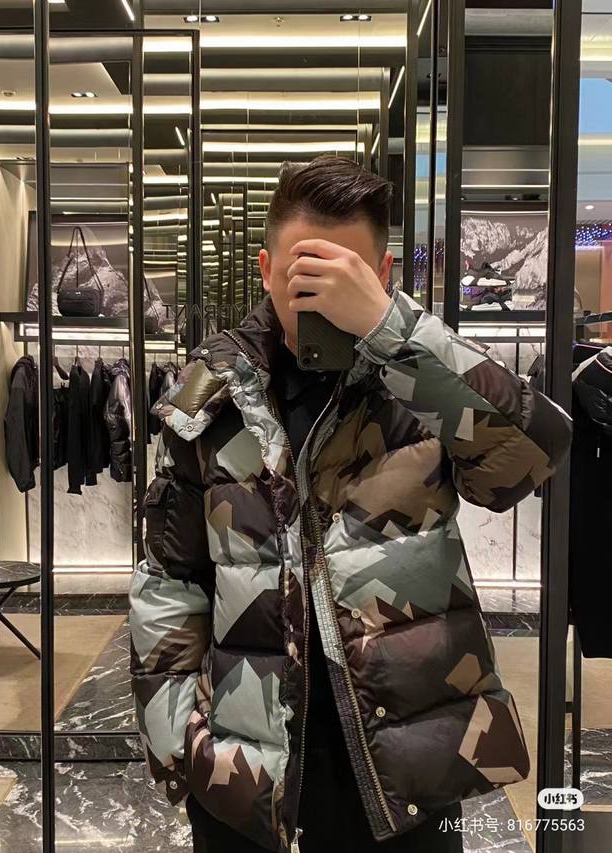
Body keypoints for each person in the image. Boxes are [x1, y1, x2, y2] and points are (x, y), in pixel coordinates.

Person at [129, 156, 572, 853]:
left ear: (384, 272)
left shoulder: (424, 385)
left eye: (347, 275)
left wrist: (390, 327)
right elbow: (168, 580)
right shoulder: (210, 397)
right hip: (246, 774)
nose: (321, 300)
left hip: (409, 771)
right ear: (266, 269)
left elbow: (530, 454)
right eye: (304, 274)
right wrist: (182, 745)